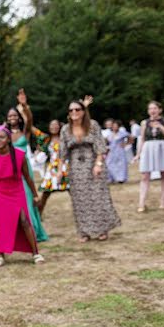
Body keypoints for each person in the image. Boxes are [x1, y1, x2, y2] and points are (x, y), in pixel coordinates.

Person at [0, 89, 48, 242]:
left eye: (15, 115)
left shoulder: (25, 133)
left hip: (24, 169)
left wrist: (24, 106)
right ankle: (18, 231)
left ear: (19, 118)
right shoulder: (5, 134)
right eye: (10, 115)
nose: (12, 117)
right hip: (9, 169)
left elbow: (29, 119)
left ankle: (33, 230)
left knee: (27, 198)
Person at [60, 100, 121, 241]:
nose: (74, 112)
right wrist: (59, 170)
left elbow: (100, 146)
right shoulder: (65, 129)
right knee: (80, 200)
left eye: (77, 109)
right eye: (71, 110)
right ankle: (84, 232)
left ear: (83, 111)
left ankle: (102, 230)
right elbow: (62, 152)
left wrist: (98, 164)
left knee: (99, 197)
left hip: (93, 163)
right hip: (76, 167)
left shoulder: (92, 125)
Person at [0, 128, 45, 267]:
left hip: (16, 191)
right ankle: (0, 254)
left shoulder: (19, 155)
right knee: (0, 223)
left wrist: (35, 195)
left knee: (24, 220)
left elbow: (28, 177)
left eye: (2, 137)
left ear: (9, 139)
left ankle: (35, 252)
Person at [132, 101, 164, 212]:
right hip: (148, 148)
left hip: (162, 146)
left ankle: (163, 202)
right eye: (150, 108)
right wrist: (138, 154)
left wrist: (159, 126)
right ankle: (141, 203)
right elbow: (142, 139)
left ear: (160, 109)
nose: (152, 111)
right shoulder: (144, 122)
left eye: (155, 108)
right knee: (145, 175)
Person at [35, 120, 69, 214]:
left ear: (59, 126)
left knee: (72, 190)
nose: (54, 127)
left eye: (56, 125)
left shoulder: (65, 138)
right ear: (49, 127)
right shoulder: (46, 139)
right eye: (52, 125)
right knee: (46, 192)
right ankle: (39, 214)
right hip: (52, 168)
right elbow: (35, 131)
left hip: (65, 167)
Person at [105, 120, 130, 184]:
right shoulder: (110, 134)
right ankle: (111, 178)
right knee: (109, 164)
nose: (114, 127)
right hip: (111, 151)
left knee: (121, 165)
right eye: (113, 126)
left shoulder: (122, 133)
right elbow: (107, 142)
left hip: (119, 151)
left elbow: (131, 137)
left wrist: (125, 144)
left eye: (116, 126)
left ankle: (121, 178)